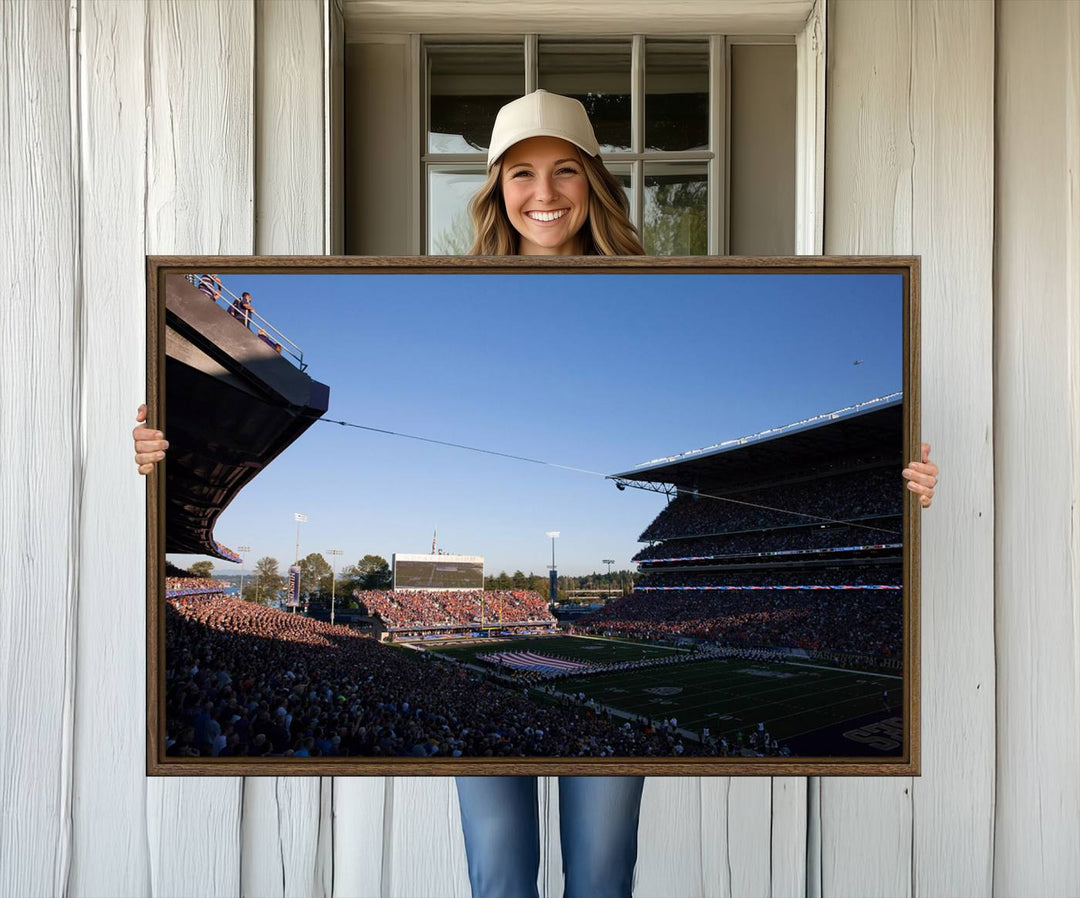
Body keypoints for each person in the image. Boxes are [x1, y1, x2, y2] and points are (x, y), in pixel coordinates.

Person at [132, 89, 940, 898]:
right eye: (521, 173)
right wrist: (155, 441)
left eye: (565, 171)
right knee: (501, 873)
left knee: (599, 874)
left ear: (594, 181)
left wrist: (905, 482)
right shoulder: (449, 283)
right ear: (495, 188)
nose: (544, 193)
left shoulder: (665, 279)